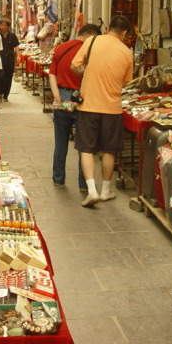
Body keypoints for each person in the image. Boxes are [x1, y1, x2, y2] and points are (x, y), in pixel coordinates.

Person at [70, 16, 134, 208]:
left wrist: (86, 74)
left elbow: (74, 66)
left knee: (86, 149)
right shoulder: (126, 52)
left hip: (88, 105)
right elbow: (125, 82)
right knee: (109, 150)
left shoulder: (92, 41)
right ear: (124, 33)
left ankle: (92, 191)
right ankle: (105, 191)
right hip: (112, 108)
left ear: (108, 28)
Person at [48, 24, 100, 191]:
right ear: (91, 35)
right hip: (82, 100)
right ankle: (84, 184)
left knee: (60, 142)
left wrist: (56, 95)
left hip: (62, 97)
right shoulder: (90, 51)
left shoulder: (61, 48)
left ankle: (58, 179)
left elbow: (52, 74)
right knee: (83, 145)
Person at [0, 18, 19, 102]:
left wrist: (18, 56)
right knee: (1, 76)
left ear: (8, 26)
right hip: (0, 57)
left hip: (10, 58)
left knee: (9, 76)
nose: (3, 27)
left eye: (5, 25)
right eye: (1, 25)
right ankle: (0, 92)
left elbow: (16, 46)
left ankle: (6, 95)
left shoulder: (12, 36)